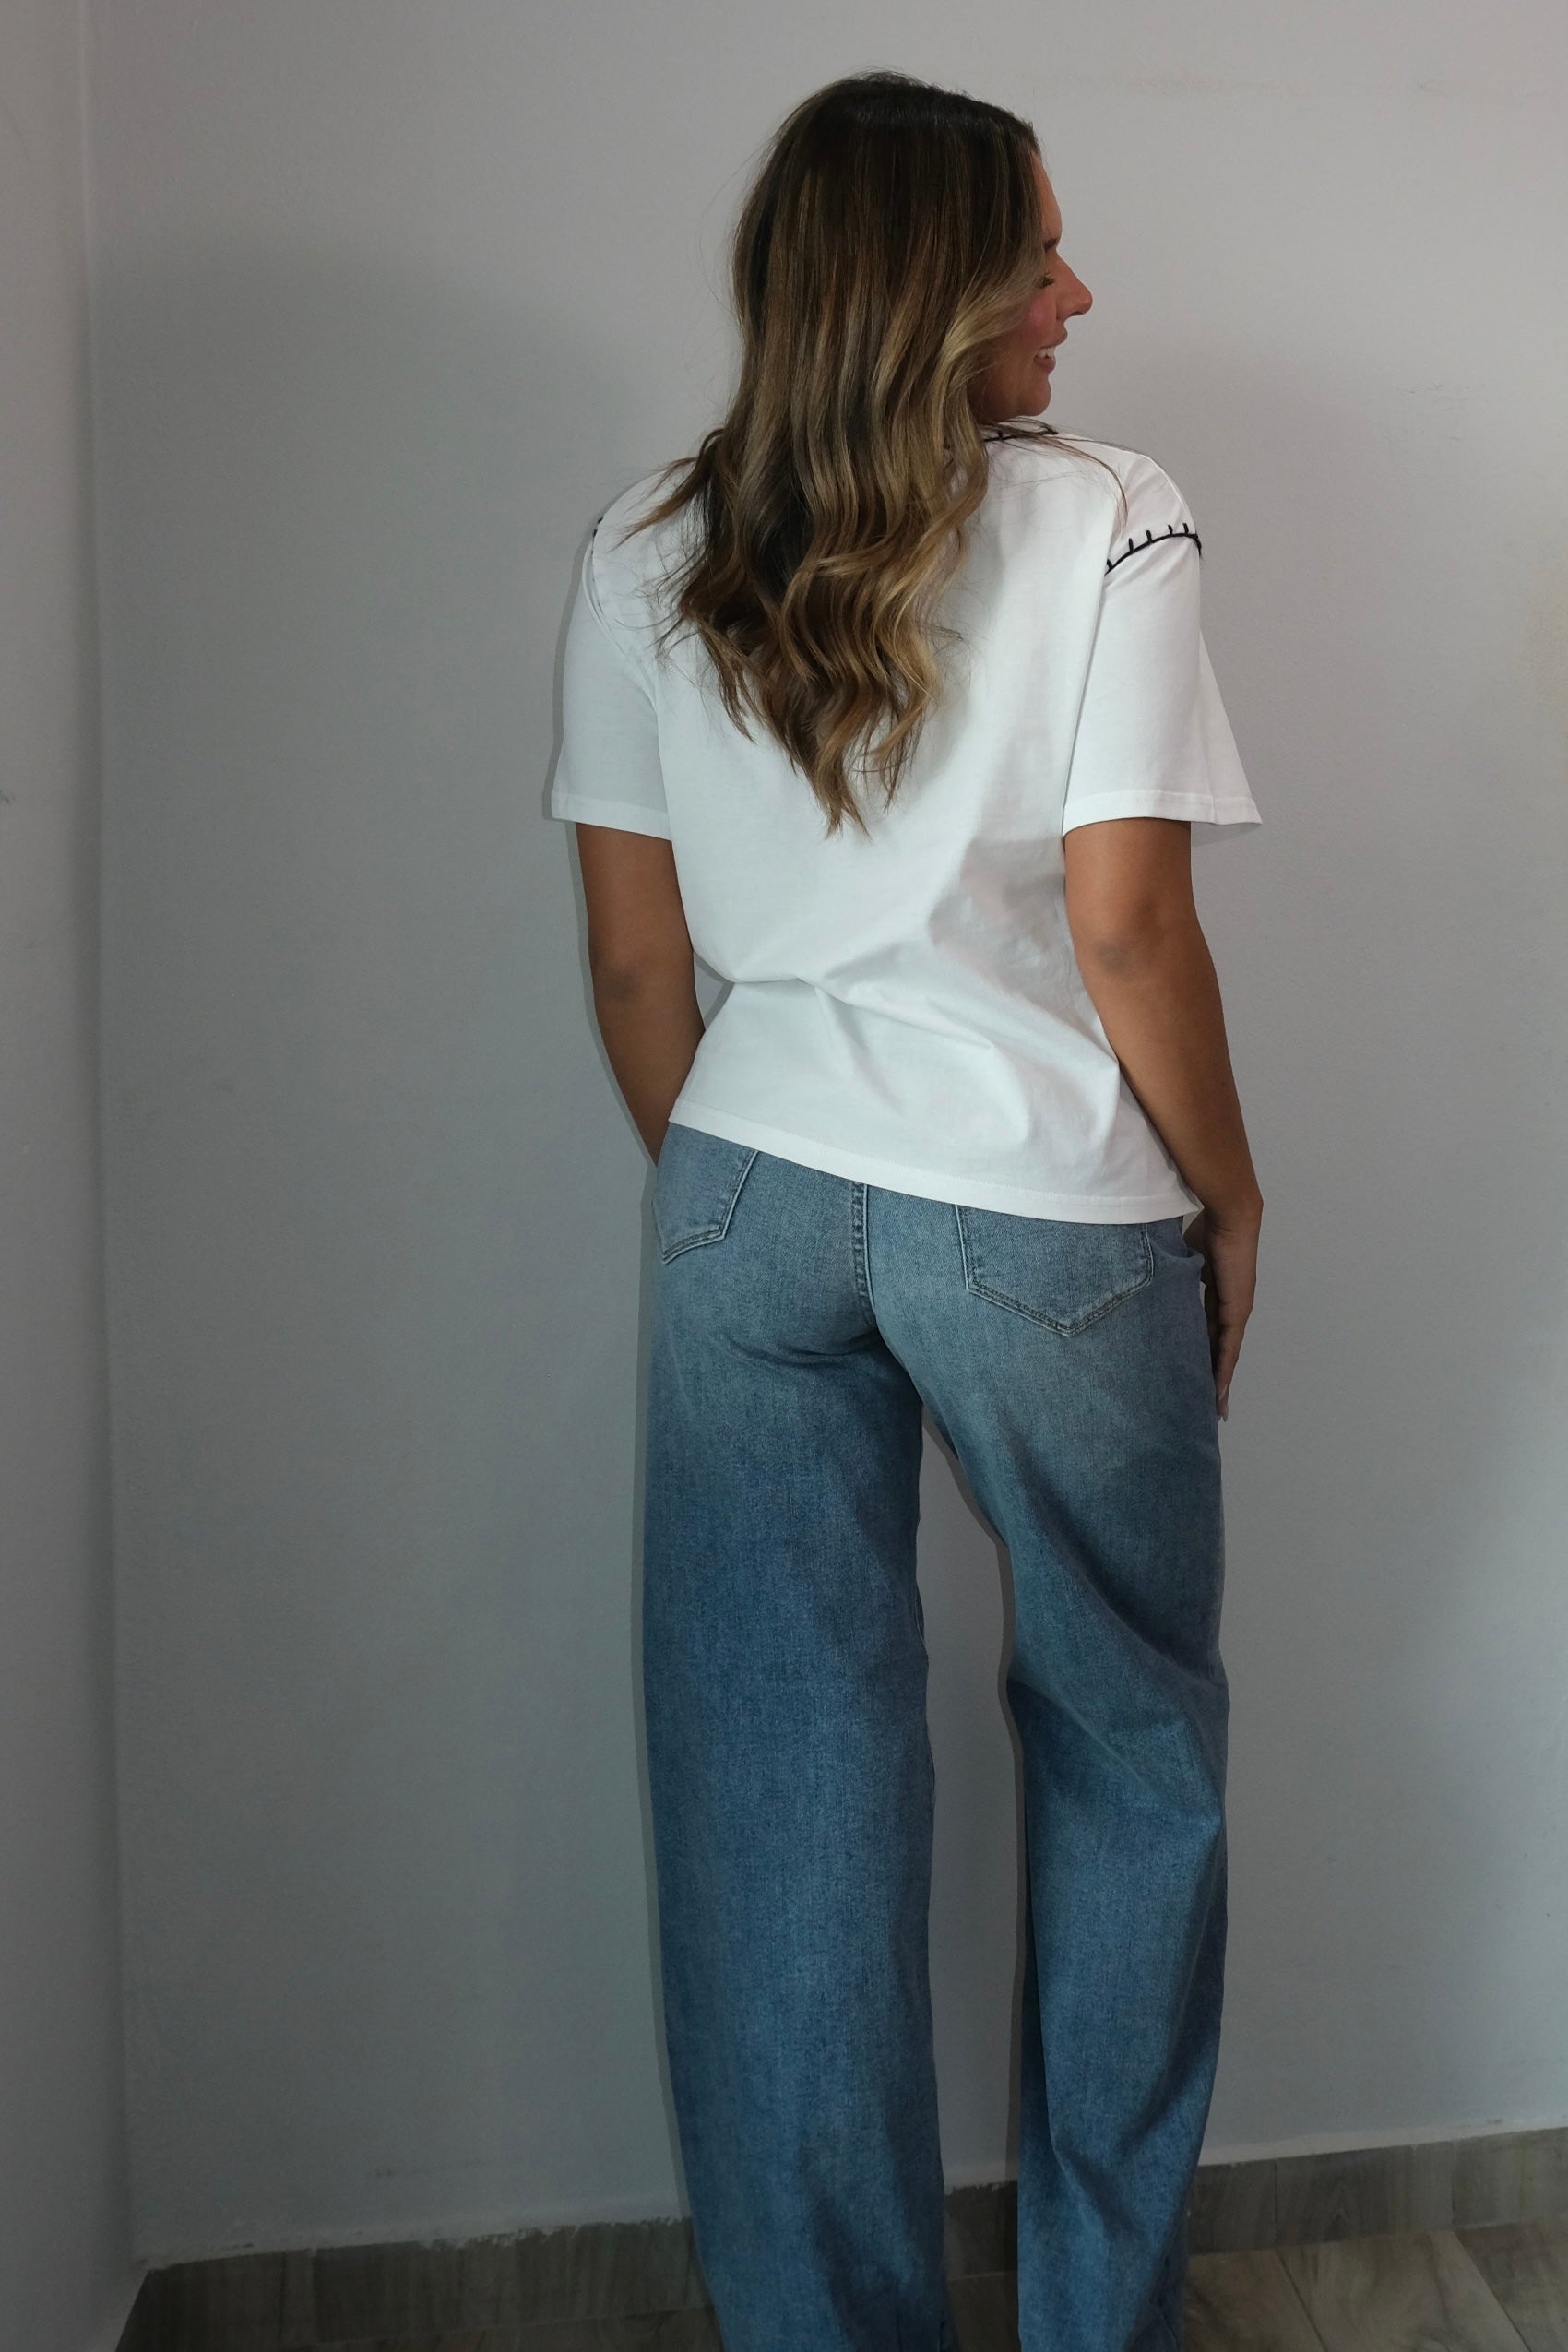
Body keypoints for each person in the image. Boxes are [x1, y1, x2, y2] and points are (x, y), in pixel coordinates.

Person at [549, 68, 1263, 2352]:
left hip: (742, 1198)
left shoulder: (646, 540)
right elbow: (1126, 923)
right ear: (928, 288)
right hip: (1044, 1214)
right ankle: (1095, 2324)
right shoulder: (1113, 517)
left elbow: (637, 971)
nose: (1079, 294)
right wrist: (1229, 1197)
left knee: (777, 1801)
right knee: (1127, 1756)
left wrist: (743, 1189)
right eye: (1037, 255)